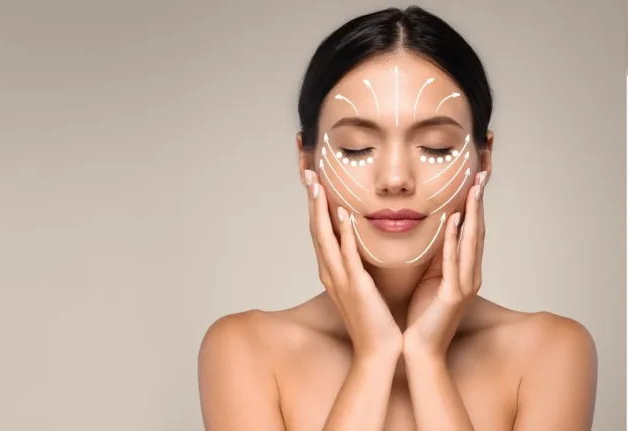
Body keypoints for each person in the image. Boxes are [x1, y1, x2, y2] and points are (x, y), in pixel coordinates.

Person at [197, 6, 598, 430]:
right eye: (355, 148)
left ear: (484, 158)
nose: (394, 179)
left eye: (437, 147)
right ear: (306, 160)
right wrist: (375, 354)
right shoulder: (244, 350)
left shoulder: (551, 353)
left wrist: (426, 358)